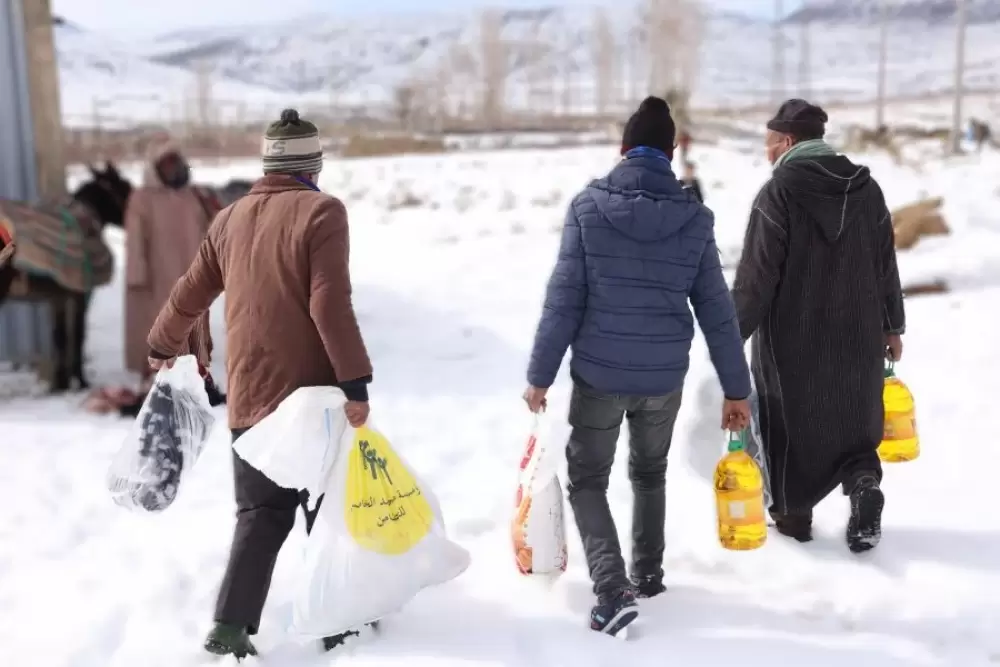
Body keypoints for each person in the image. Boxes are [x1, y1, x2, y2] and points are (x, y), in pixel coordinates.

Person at [144, 109, 374, 659]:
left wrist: (160, 343)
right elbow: (329, 303)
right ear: (312, 166)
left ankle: (229, 628)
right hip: (313, 400)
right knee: (329, 510)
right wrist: (356, 382)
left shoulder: (229, 218)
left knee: (260, 515)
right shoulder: (323, 212)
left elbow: (190, 292)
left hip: (250, 397)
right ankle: (339, 623)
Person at [524, 96, 752, 637]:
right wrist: (736, 389)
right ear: (670, 154)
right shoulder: (694, 218)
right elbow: (718, 312)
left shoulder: (587, 208)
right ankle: (647, 574)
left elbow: (564, 300)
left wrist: (540, 375)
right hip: (662, 378)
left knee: (587, 478)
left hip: (599, 376)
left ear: (623, 149)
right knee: (649, 474)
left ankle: (612, 587)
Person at [731, 99, 905, 553]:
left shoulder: (778, 193)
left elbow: (756, 277)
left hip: (794, 339)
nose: (767, 152)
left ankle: (793, 522)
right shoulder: (867, 190)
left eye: (770, 143)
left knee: (790, 428)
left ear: (787, 141)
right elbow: (884, 262)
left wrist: (729, 338)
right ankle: (864, 484)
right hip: (859, 334)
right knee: (853, 421)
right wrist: (892, 326)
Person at [123, 139, 221, 386]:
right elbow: (135, 240)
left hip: (190, 274)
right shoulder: (142, 199)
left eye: (175, 162)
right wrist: (137, 275)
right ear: (156, 168)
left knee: (192, 322)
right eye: (167, 163)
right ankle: (154, 374)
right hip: (157, 278)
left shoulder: (193, 196)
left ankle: (194, 371)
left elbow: (209, 229)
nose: (174, 168)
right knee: (157, 323)